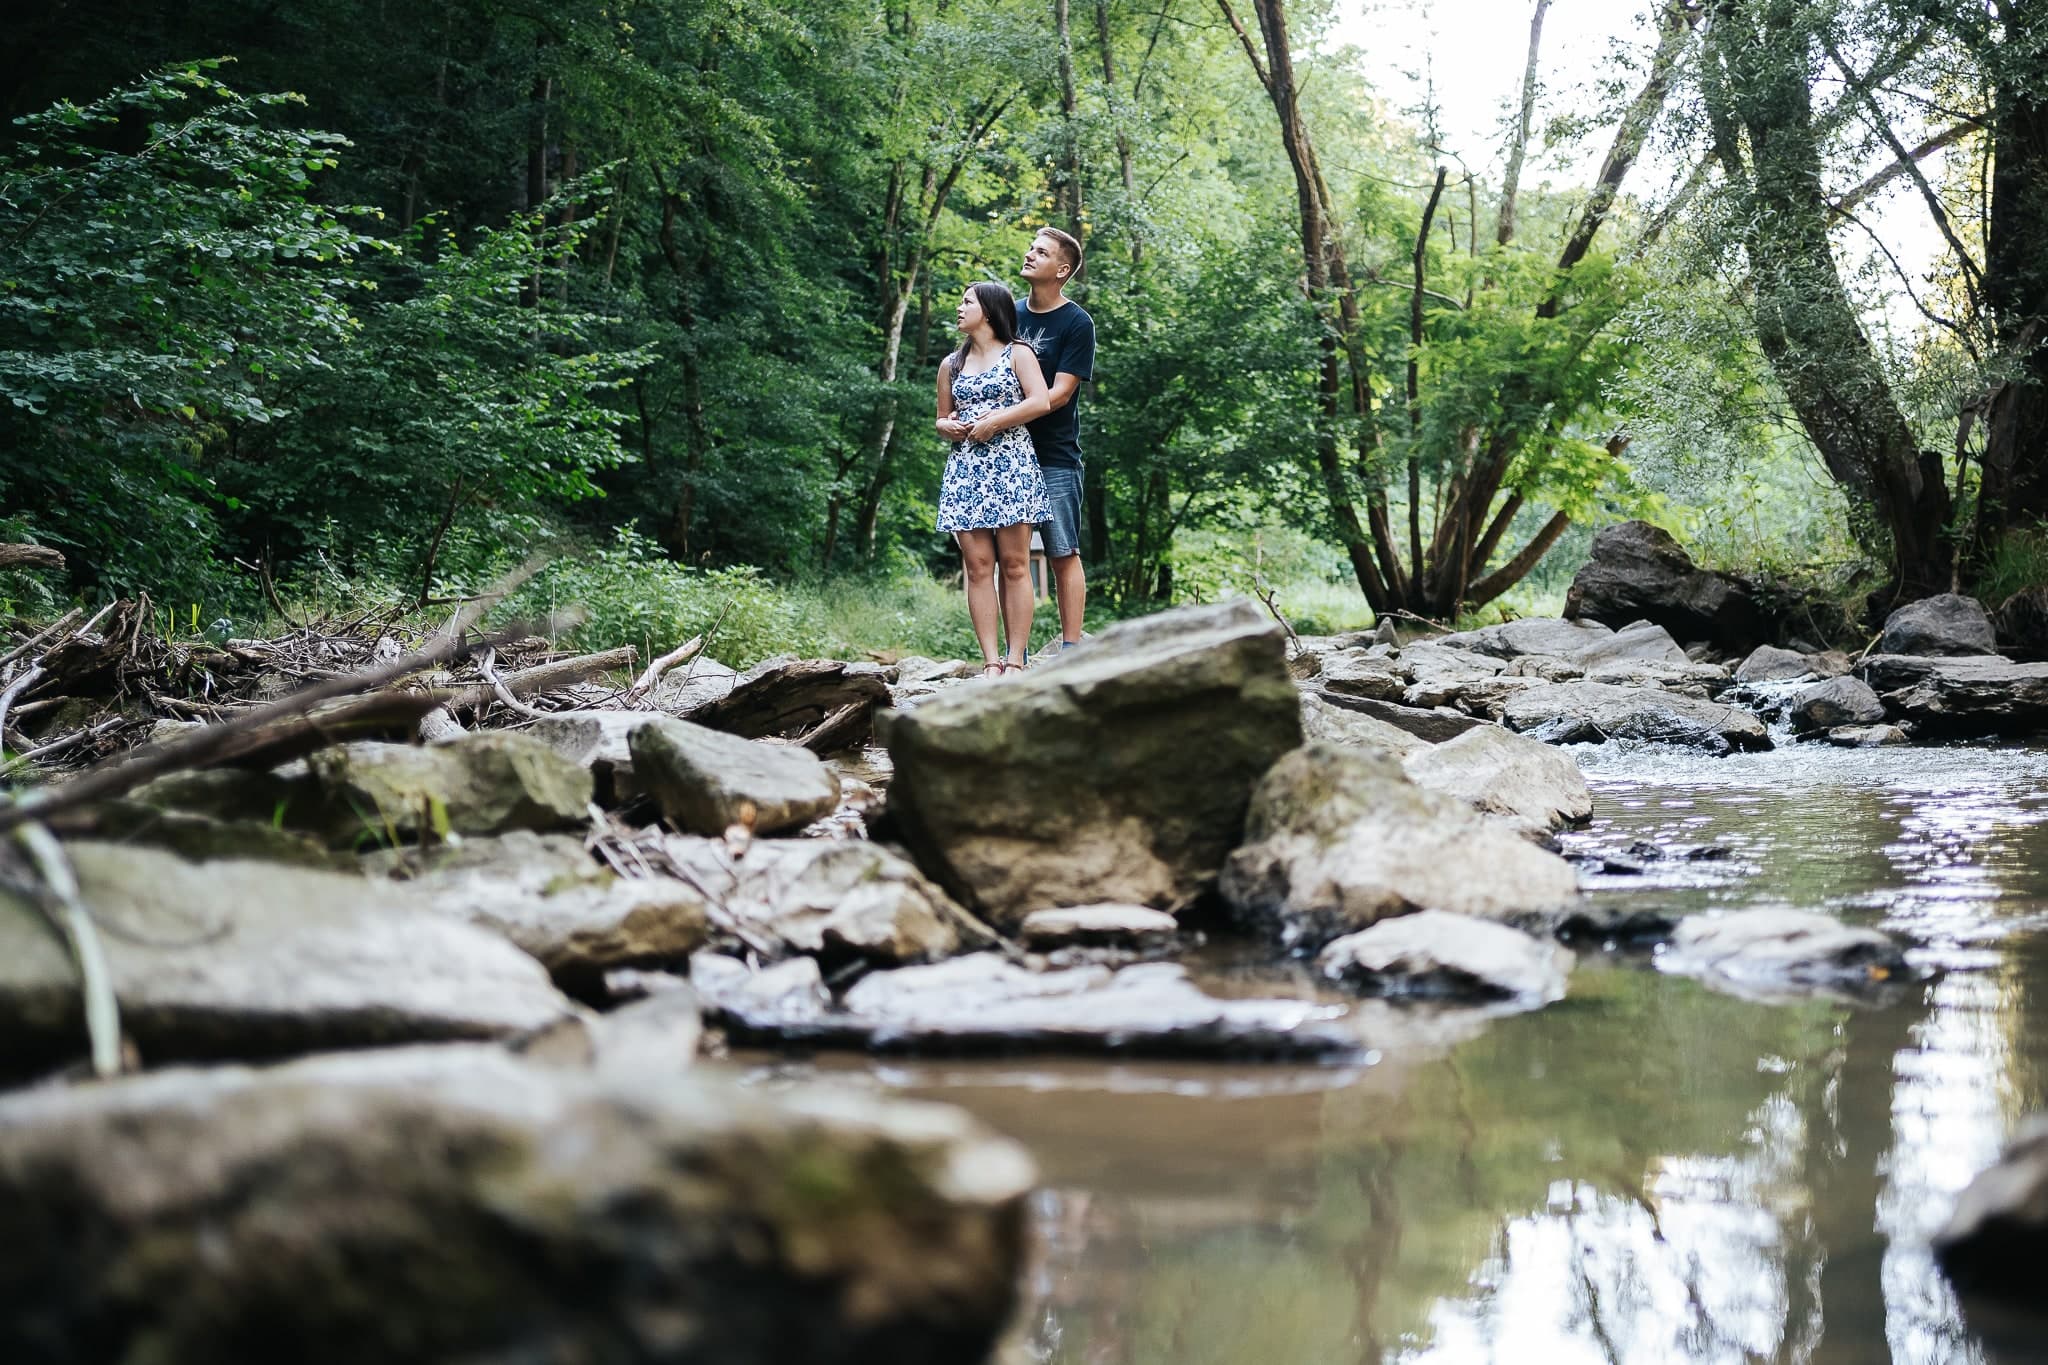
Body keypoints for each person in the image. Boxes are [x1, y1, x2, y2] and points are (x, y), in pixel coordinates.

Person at [936, 280, 1053, 678]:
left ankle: (1016, 658)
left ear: (987, 310)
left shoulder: (1019, 353)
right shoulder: (951, 363)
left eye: (966, 301)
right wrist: (946, 426)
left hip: (1012, 465)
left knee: (1017, 565)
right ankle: (990, 662)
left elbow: (1041, 401)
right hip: (967, 470)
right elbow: (941, 416)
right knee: (978, 566)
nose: (959, 307)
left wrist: (995, 422)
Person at [1016, 227, 1095, 651]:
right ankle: (1016, 654)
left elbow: (1061, 393)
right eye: (1031, 248)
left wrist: (1003, 417)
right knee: (1012, 560)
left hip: (1055, 456)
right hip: (1006, 456)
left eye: (1040, 252)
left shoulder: (1077, 322)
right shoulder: (1007, 315)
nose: (1029, 254)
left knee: (1062, 551)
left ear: (1061, 270)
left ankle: (1071, 650)